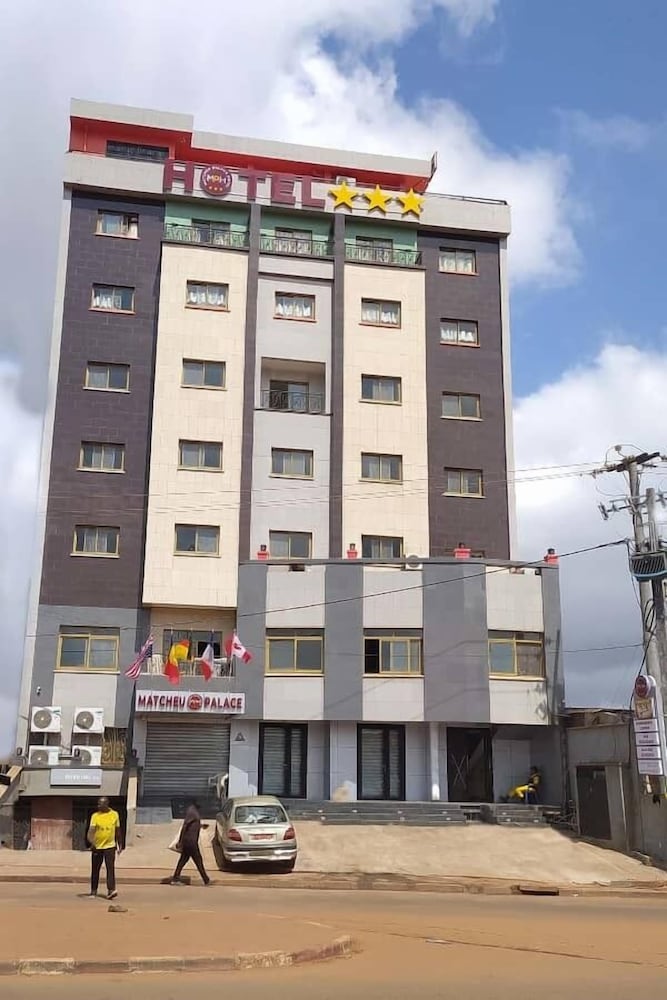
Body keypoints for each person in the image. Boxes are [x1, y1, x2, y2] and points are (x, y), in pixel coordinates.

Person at [87, 796, 122, 899]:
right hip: (97, 846)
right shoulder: (95, 816)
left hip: (110, 846)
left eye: (100, 804)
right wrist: (92, 842)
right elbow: (91, 831)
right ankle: (93, 891)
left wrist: (120, 844)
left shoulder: (114, 814)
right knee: (95, 869)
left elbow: (118, 830)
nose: (98, 806)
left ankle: (111, 890)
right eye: (98, 804)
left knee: (110, 868)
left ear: (106, 804)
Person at [170, 800, 211, 886]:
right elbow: (185, 826)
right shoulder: (192, 811)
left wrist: (201, 826)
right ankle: (206, 879)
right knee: (198, 861)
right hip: (190, 841)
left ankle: (175, 878)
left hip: (190, 841)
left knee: (183, 860)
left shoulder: (193, 811)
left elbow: (192, 824)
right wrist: (180, 841)